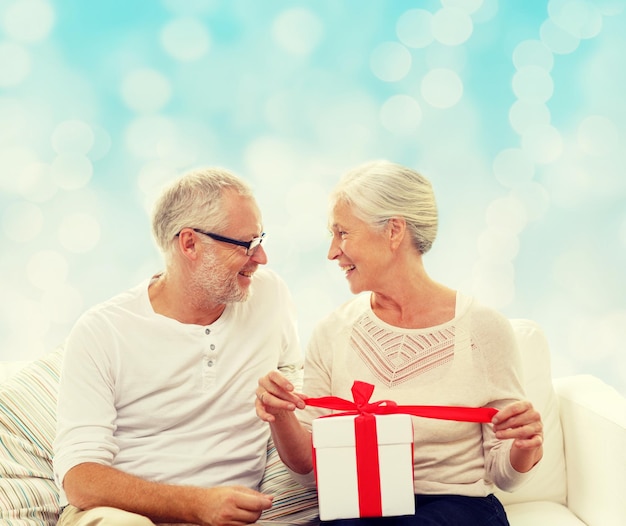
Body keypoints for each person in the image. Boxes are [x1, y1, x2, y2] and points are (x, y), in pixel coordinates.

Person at [256, 160, 544, 525]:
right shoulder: (333, 331)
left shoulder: (483, 330)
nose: (332, 251)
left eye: (343, 233)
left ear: (393, 231)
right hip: (362, 506)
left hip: (458, 508)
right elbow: (309, 470)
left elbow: (505, 474)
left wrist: (524, 446)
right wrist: (280, 415)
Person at [53, 167, 303, 526]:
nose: (261, 257)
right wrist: (197, 504)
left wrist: (281, 407)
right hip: (123, 515)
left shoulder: (270, 296)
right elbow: (80, 479)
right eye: (246, 244)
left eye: (260, 239)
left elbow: (299, 417)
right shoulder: (102, 331)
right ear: (189, 244)